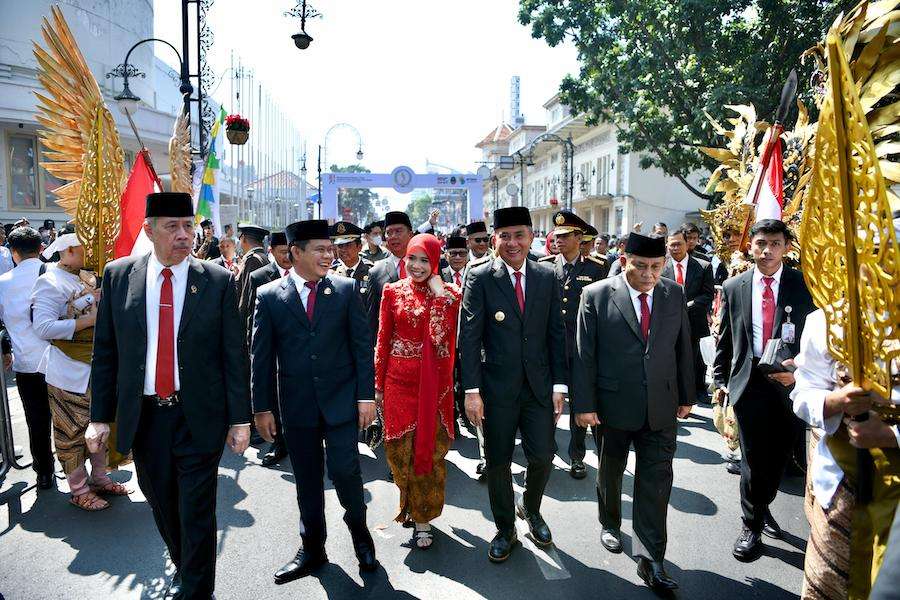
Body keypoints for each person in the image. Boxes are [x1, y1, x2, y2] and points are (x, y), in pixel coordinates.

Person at [87, 192, 250, 599]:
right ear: (148, 230)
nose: (184, 235)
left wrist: (240, 418)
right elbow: (105, 352)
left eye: (188, 226)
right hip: (145, 418)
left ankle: (196, 590)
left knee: (196, 509)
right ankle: (185, 568)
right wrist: (98, 416)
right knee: (161, 502)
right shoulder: (119, 275)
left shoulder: (215, 279)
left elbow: (234, 354)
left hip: (198, 416)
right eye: (172, 227)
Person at [251, 219, 377, 582]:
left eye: (330, 248)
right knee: (307, 482)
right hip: (297, 407)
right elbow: (261, 357)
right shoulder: (270, 295)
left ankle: (361, 536)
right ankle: (312, 549)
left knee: (346, 474)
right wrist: (262, 408)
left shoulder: (345, 289)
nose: (329, 255)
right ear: (296, 253)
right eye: (320, 249)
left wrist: (365, 397)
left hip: (341, 404)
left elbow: (360, 347)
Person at [572, 232, 695, 593]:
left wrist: (687, 394)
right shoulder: (596, 294)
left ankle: (651, 558)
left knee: (656, 482)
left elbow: (682, 348)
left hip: (661, 404)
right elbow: (584, 355)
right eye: (640, 266)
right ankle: (610, 523)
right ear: (625, 260)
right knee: (611, 472)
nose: (648, 274)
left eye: (656, 267)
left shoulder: (673, 294)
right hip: (612, 405)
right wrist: (585, 405)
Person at [459, 206, 567, 562]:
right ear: (494, 240)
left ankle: (532, 509)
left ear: (532, 236)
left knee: (543, 456)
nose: (512, 242)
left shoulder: (547, 274)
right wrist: (471, 392)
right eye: (504, 236)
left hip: (537, 387)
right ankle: (505, 529)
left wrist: (559, 386)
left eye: (519, 235)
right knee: (498, 462)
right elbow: (470, 338)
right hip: (496, 390)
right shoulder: (480, 277)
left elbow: (556, 334)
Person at [713, 218, 816, 562]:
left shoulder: (805, 285)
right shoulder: (734, 286)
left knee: (781, 456)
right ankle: (750, 524)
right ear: (750, 247)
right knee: (754, 458)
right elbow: (726, 339)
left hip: (790, 383)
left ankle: (763, 504)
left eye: (774, 243)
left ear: (787, 247)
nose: (767, 250)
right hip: (749, 382)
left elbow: (819, 338)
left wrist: (799, 370)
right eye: (760, 243)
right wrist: (718, 381)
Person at [792, 308, 899, 599]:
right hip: (841, 483)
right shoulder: (826, 319)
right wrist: (835, 401)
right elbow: (804, 393)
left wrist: (892, 436)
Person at [375, 233, 461, 549]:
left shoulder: (449, 295)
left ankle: (423, 518)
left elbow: (441, 335)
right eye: (412, 258)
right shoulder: (391, 292)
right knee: (399, 455)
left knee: (429, 454)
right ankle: (408, 500)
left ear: (436, 262)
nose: (417, 265)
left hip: (434, 388)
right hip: (397, 383)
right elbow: (383, 339)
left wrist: (439, 292)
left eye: (425, 259)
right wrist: (378, 385)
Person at [32, 233, 127, 511]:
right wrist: (87, 320)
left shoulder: (85, 276)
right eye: (88, 246)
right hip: (68, 369)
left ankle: (99, 477)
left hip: (97, 366)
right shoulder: (49, 281)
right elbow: (43, 328)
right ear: (72, 248)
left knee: (102, 424)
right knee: (71, 431)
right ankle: (78, 489)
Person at [538, 211, 608, 479]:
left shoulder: (597, 267)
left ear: (580, 238)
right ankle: (546, 451)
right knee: (546, 404)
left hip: (581, 347)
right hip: (551, 347)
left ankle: (577, 457)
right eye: (557, 236)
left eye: (566, 236)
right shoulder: (544, 266)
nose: (559, 241)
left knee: (580, 402)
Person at [0, 226, 53, 489]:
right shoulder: (56, 274)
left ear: (13, 252)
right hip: (61, 360)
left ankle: (44, 472)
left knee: (37, 421)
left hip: (27, 364)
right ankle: (79, 473)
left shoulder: (3, 283)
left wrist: (5, 348)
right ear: (41, 248)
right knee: (73, 419)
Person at [247, 231, 292, 467]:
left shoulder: (303, 274)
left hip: (295, 350)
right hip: (269, 350)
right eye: (282, 252)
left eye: (290, 251)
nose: (288, 257)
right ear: (271, 252)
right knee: (273, 399)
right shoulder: (259, 276)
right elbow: (247, 314)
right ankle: (279, 443)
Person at [662, 228, 715, 403]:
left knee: (696, 358)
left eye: (679, 244)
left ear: (688, 244)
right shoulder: (661, 266)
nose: (675, 248)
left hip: (695, 320)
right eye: (672, 245)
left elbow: (708, 295)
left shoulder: (703, 266)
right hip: (667, 321)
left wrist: (687, 306)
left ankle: (698, 390)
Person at [363, 211, 415, 340]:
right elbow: (372, 318)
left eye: (398, 231)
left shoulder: (426, 266)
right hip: (390, 347)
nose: (393, 236)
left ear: (410, 234)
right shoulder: (376, 272)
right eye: (388, 232)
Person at [237, 224, 271, 341]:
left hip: (252, 321)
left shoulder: (252, 260)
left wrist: (239, 325)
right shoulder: (263, 257)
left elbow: (245, 296)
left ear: (244, 238)